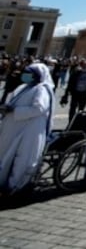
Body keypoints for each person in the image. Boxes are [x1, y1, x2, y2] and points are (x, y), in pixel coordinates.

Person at [0, 63, 54, 197]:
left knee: (23, 158)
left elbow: (39, 109)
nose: (25, 75)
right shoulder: (23, 87)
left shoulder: (42, 89)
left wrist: (15, 110)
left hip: (30, 129)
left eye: (28, 73)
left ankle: (17, 186)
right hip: (15, 126)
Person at [61, 59, 86, 124]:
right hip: (75, 93)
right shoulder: (76, 73)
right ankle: (70, 122)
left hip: (84, 94)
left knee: (81, 110)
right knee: (72, 109)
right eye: (84, 65)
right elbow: (70, 83)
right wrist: (66, 94)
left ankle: (77, 123)